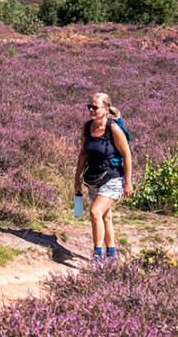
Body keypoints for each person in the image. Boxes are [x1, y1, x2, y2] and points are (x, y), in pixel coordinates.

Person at [74, 92, 133, 260]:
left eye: (95, 107)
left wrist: (127, 182)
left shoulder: (113, 128)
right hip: (93, 177)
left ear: (106, 109)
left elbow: (127, 155)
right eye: (89, 106)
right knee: (106, 217)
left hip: (113, 177)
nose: (91, 110)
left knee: (95, 212)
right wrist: (77, 179)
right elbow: (83, 154)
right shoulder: (87, 127)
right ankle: (111, 255)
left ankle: (97, 256)